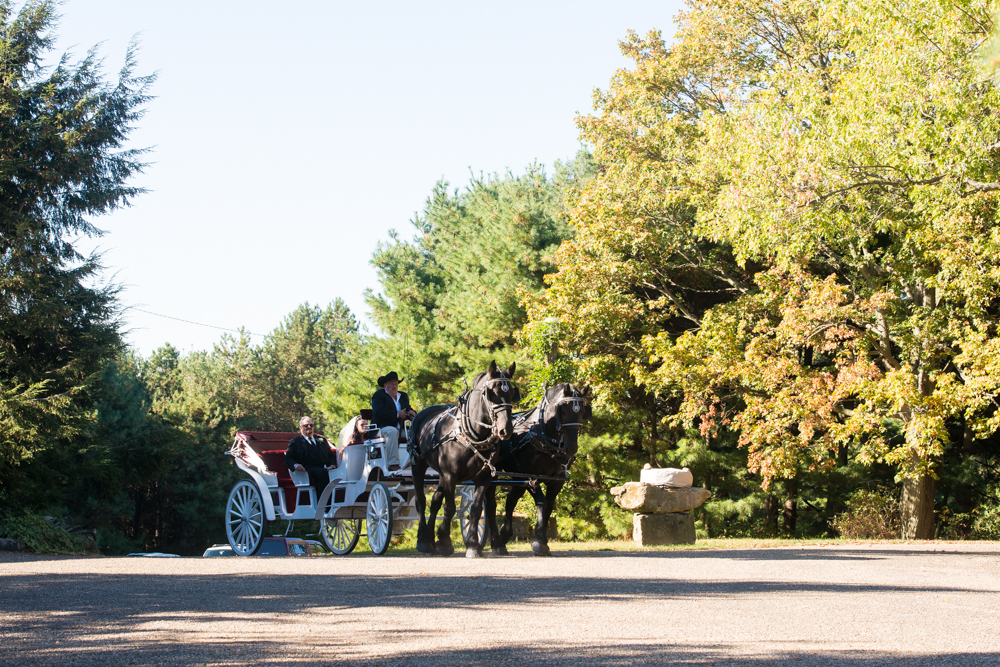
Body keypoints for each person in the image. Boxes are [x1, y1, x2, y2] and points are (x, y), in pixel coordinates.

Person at [371, 371, 415, 471]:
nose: (394, 386)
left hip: (400, 428)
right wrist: (397, 414)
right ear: (385, 385)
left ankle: (416, 461)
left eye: (396, 384)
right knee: (392, 431)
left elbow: (407, 408)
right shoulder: (379, 395)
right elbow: (378, 411)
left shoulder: (403, 396)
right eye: (391, 384)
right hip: (380, 428)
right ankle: (393, 464)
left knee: (415, 431)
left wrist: (412, 413)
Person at [285, 416, 338, 496]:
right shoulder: (295, 442)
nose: (309, 427)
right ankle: (324, 504)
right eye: (306, 425)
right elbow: (288, 459)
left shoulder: (321, 440)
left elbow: (331, 456)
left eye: (311, 425)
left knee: (339, 473)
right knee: (322, 474)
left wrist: (332, 465)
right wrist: (296, 465)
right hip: (307, 469)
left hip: (324, 467)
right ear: (300, 427)